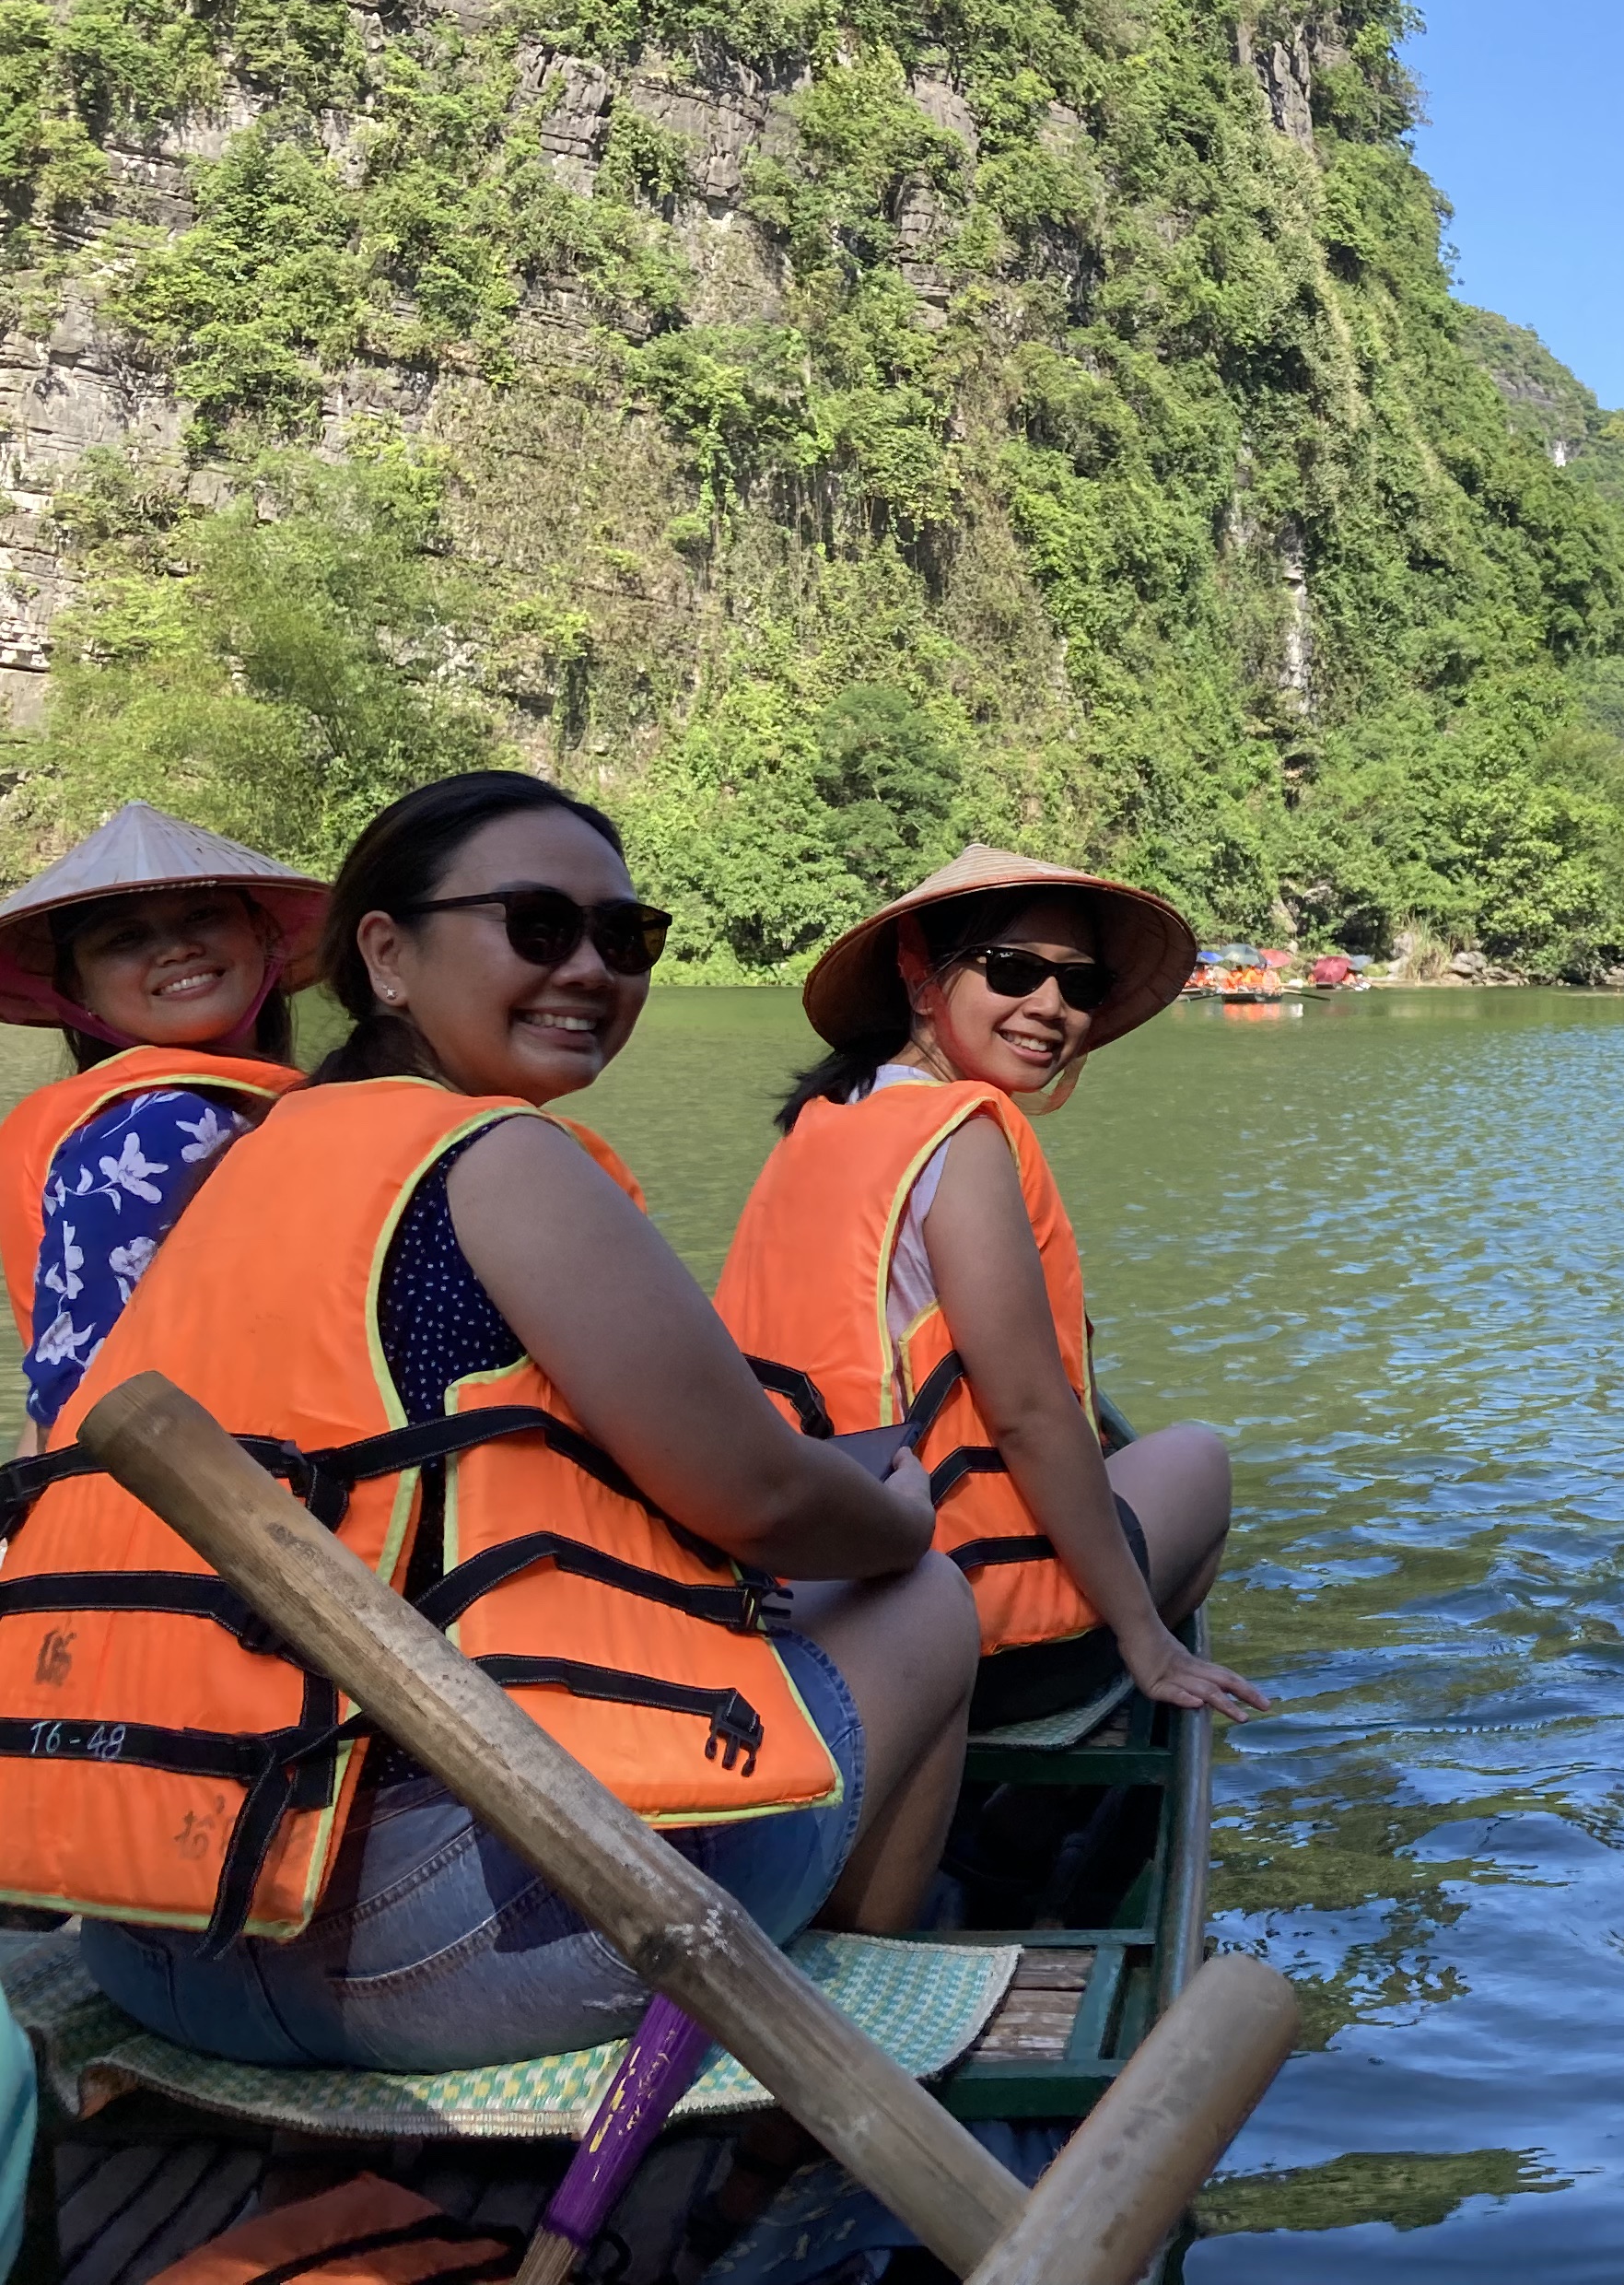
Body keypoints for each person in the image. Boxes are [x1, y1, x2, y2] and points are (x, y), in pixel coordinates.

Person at [0, 771, 977, 2070]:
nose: (588, 970)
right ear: (386, 956)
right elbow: (772, 1502)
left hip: (155, 1933)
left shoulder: (245, 1157)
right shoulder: (500, 1160)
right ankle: (808, 2096)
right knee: (920, 1594)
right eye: (533, 925)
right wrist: (899, 1514)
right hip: (422, 1964)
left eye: (623, 939)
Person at [715, 848, 1257, 1728]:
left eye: (1078, 986)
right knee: (1199, 1457)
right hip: (957, 1617)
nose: (1050, 1007)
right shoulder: (960, 1137)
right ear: (920, 974)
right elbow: (1028, 1414)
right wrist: (1145, 1637)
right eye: (1012, 970)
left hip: (790, 1604)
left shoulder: (827, 1118)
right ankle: (1069, 1758)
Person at [0, 803, 326, 1450]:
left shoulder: (228, 1111)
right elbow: (91, 1387)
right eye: (125, 938)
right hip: (184, 1516)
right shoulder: (161, 1127)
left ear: (265, 938)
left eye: (204, 916)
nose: (176, 949)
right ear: (77, 989)